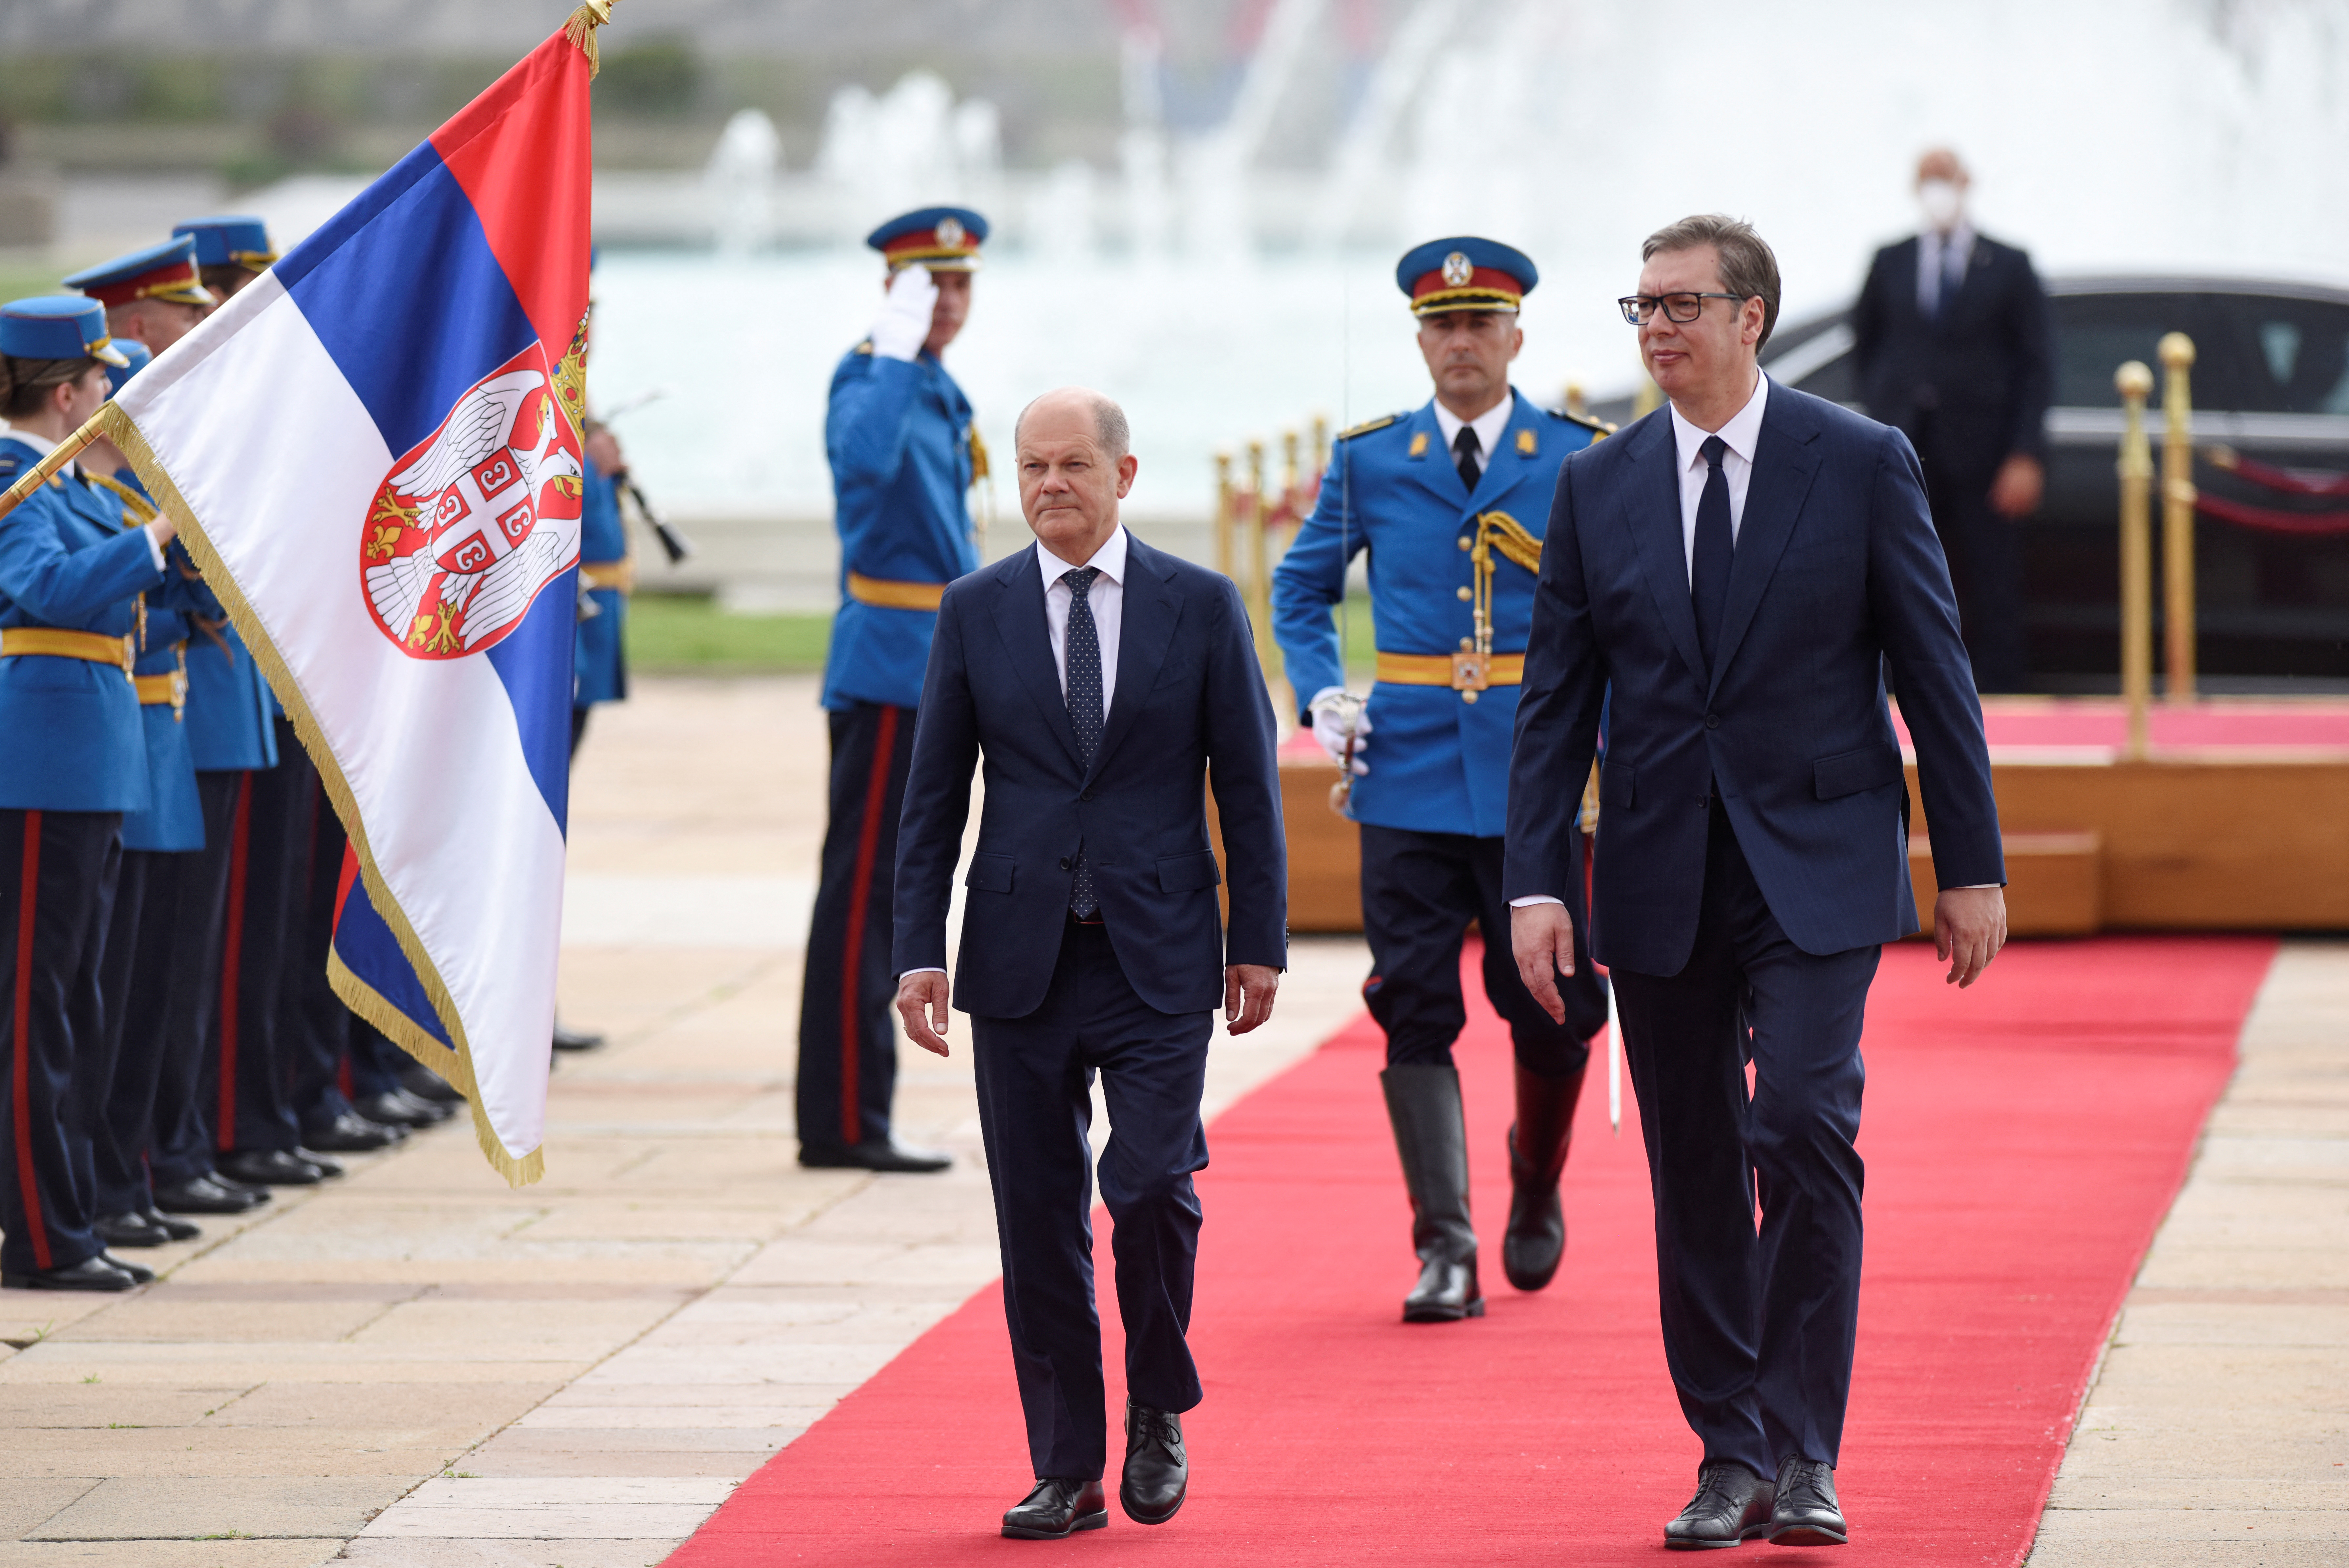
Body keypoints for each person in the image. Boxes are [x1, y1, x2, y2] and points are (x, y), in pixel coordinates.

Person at [1506, 215, 2008, 1549]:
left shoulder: (1856, 463)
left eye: (1680, 305)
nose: (1655, 328)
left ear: (1752, 318)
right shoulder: (1595, 485)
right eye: (1640, 307)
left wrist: (1969, 863)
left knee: (1796, 1122)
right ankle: (1727, 1448)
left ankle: (1807, 1450)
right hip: (1661, 869)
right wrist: (1535, 882)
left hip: (1818, 862)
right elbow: (1553, 703)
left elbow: (1932, 672)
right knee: (1693, 1165)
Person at [892, 387, 1285, 1540]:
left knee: (1150, 1185)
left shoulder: (1201, 606)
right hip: (1017, 960)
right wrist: (917, 947)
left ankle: (1156, 1399)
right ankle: (1064, 1464)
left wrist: (1254, 940)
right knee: (1038, 1212)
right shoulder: (973, 610)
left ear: (1123, 472)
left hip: (1158, 954)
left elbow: (1249, 794)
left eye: (1072, 463)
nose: (1050, 483)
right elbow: (931, 800)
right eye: (1031, 466)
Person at [1271, 237, 1613, 1324]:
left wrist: (1609, 744)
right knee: (1410, 1003)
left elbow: (1619, 610)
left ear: (1515, 336)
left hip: (1535, 770)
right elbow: (1297, 587)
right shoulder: (1373, 457)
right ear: (1419, 338)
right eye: (1441, 326)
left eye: (1479, 324)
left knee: (1549, 1001)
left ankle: (1535, 1177)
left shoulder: (1573, 455)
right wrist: (1324, 692)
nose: (1459, 344)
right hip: (1406, 769)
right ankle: (1444, 1244)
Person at [797, 206, 988, 1173]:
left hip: (930, 661)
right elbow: (862, 463)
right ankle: (840, 1119)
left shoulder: (927, 381)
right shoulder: (873, 373)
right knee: (864, 896)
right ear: (895, 288)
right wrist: (896, 345)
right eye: (930, 284)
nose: (949, 302)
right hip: (885, 666)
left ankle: (855, 1111)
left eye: (960, 284)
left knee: (897, 891)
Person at [0, 295, 171, 1291]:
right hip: (43, 764)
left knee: (71, 999)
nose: (112, 396)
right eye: (102, 381)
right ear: (66, 395)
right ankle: (41, 1235)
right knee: (35, 1007)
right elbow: (48, 591)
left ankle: (67, 1215)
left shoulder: (59, 480)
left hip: (87, 760)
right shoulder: (15, 480)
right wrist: (152, 544)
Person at [1851, 149, 2054, 693]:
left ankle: (2000, 691)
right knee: (1901, 573)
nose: (1938, 190)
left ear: (1967, 184)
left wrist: (2025, 453)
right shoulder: (1890, 259)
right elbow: (1867, 345)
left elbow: (2036, 365)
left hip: (1985, 453)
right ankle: (1897, 689)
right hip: (1906, 448)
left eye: (1947, 179)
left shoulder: (2008, 264)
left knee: (1992, 577)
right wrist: (1884, 409)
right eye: (1928, 180)